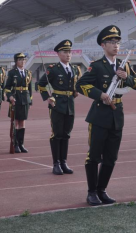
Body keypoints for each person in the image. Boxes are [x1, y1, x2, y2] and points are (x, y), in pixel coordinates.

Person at [76, 26, 136, 206]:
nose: (115, 45)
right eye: (111, 42)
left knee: (111, 157)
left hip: (116, 116)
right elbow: (80, 85)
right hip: (99, 115)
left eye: (117, 42)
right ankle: (91, 192)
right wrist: (100, 94)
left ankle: (102, 190)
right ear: (103, 45)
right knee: (94, 156)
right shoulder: (97, 66)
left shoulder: (124, 65)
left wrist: (126, 77)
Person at [38, 40, 81, 175]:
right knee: (57, 134)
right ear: (58, 54)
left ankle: (64, 162)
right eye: (65, 52)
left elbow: (76, 84)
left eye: (69, 52)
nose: (68, 54)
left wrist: (75, 91)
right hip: (57, 104)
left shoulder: (75, 69)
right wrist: (48, 97)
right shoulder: (53, 69)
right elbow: (40, 84)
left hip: (70, 104)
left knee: (66, 134)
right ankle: (56, 163)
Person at [5, 54, 33, 154]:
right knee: (16, 122)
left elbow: (30, 88)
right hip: (15, 98)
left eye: (24, 60)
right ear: (16, 61)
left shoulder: (28, 72)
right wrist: (10, 97)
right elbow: (7, 87)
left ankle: (21, 144)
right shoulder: (12, 73)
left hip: (25, 99)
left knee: (22, 122)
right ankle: (15, 144)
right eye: (20, 60)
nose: (23, 61)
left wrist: (30, 101)